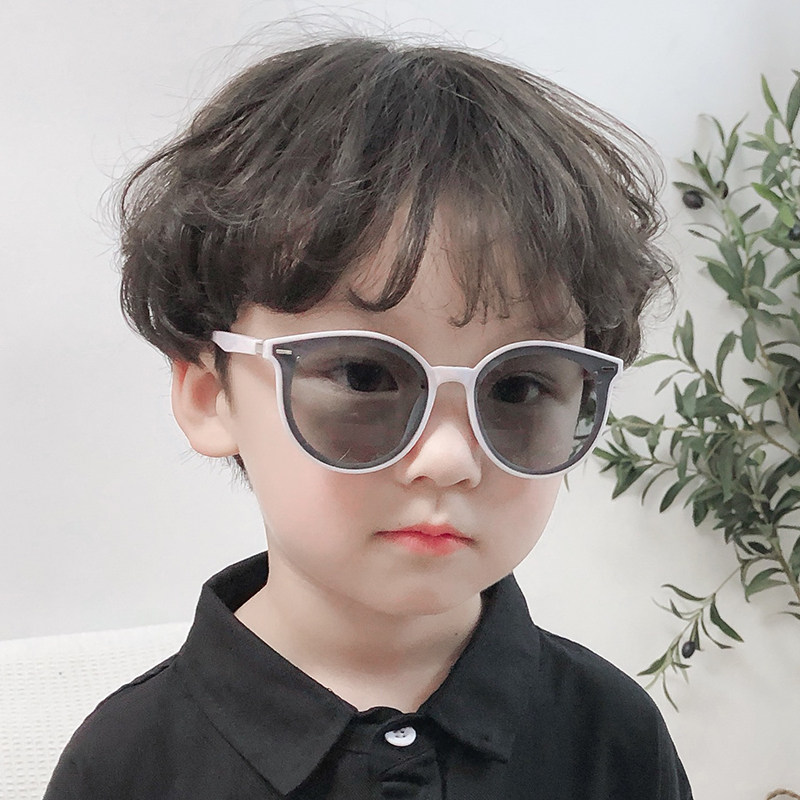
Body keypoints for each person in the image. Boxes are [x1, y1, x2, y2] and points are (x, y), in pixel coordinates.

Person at [43, 35, 693, 799]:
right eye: (365, 375)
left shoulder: (611, 735)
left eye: (518, 388)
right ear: (209, 395)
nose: (449, 458)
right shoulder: (128, 765)